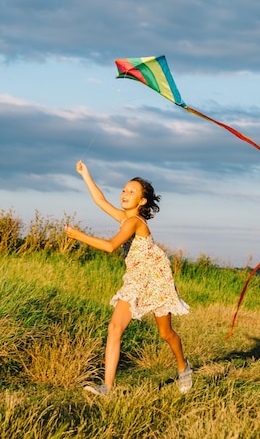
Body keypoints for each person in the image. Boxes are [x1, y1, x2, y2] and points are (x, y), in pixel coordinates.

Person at [64, 160, 192, 396]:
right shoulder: (125, 217)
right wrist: (85, 174)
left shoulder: (134, 222)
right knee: (114, 328)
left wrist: (77, 235)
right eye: (124, 190)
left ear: (142, 201)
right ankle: (108, 388)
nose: (125, 194)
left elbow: (111, 246)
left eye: (132, 191)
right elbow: (100, 201)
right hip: (135, 280)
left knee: (165, 333)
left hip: (155, 280)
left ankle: (183, 367)